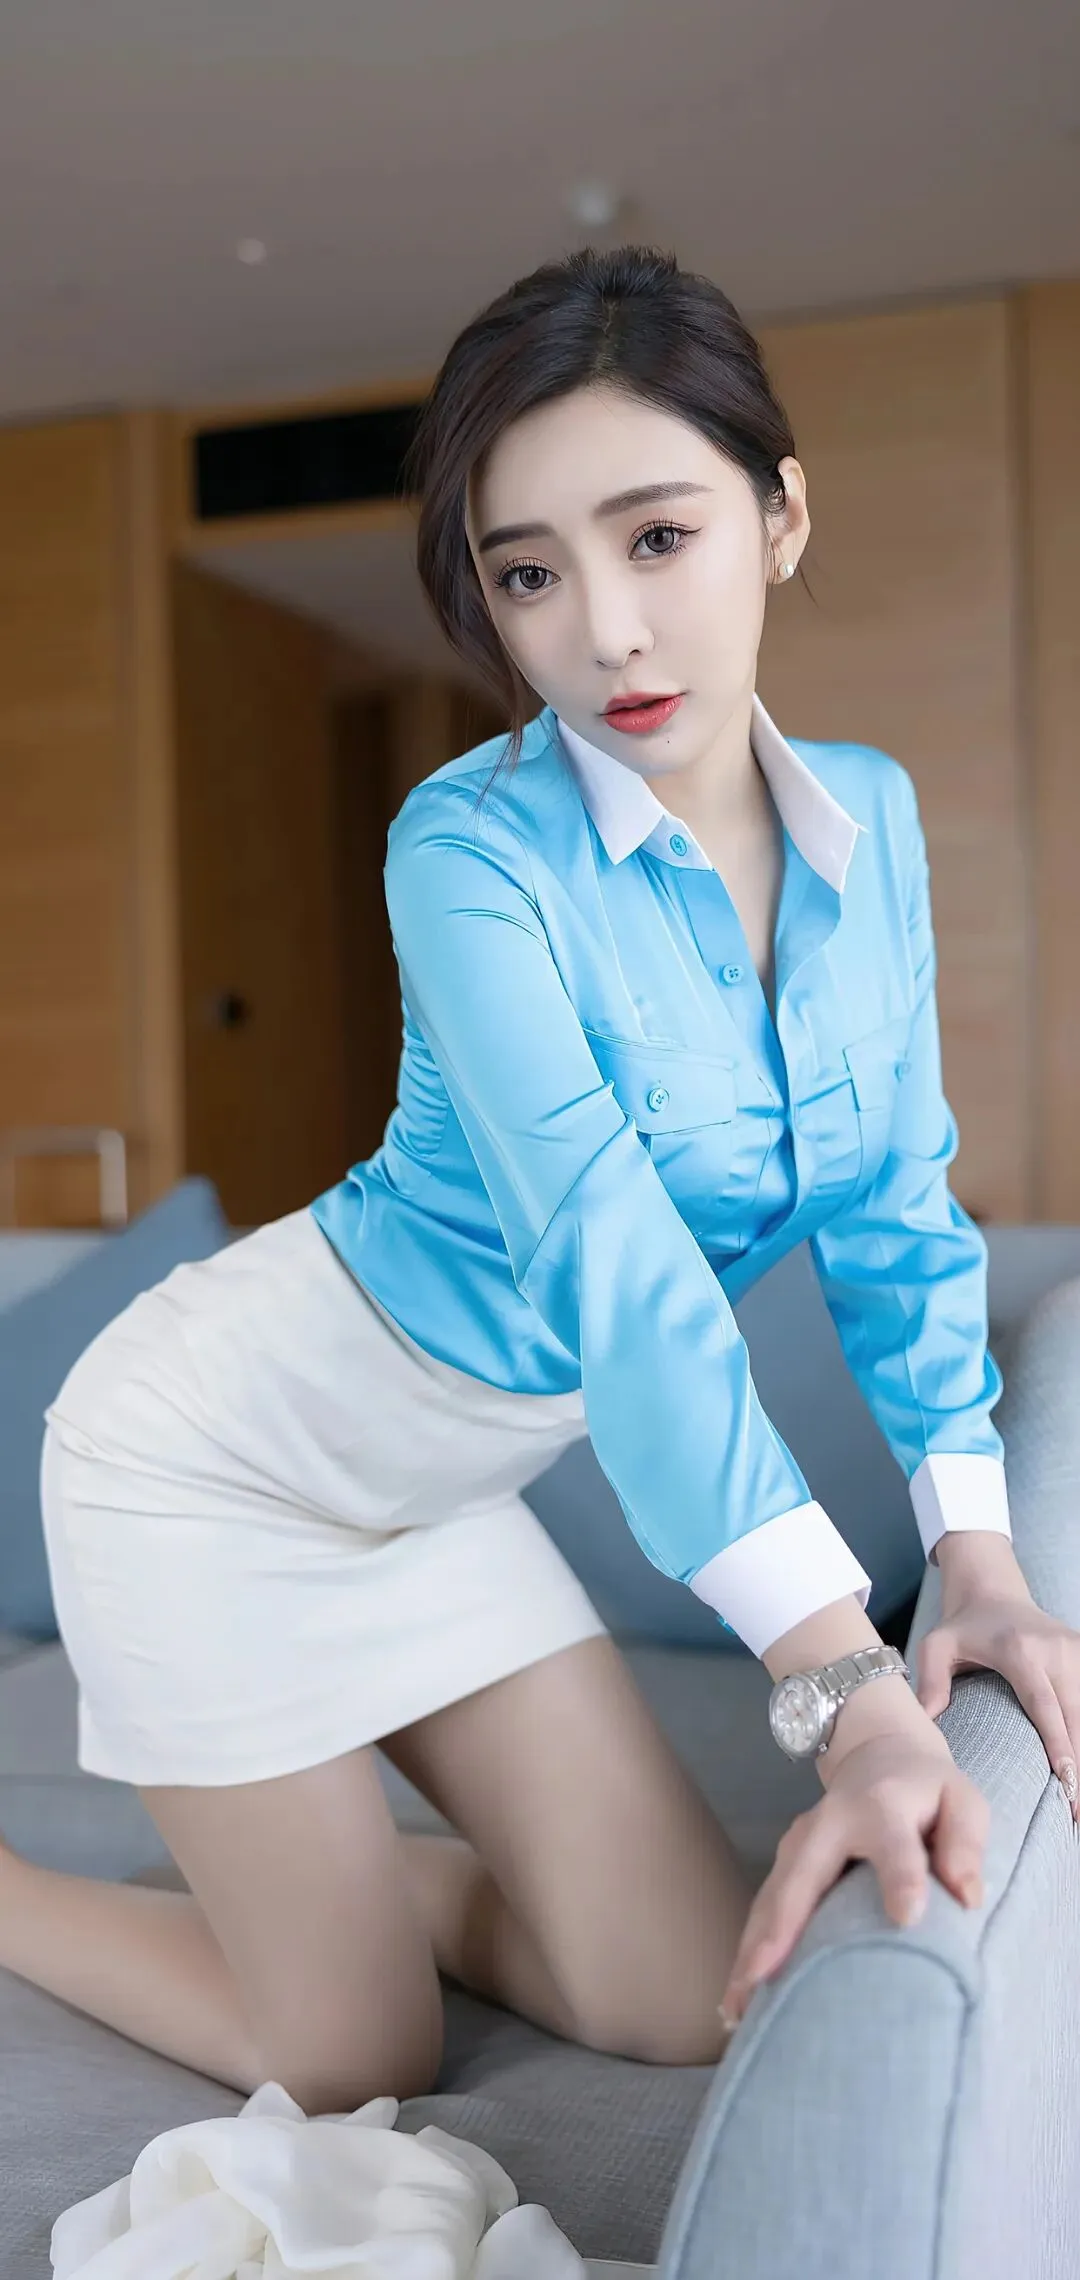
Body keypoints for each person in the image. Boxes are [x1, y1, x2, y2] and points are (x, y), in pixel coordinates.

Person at [3, 245, 1078, 2116]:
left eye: (658, 537)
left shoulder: (875, 818)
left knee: (683, 2001)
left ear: (780, 515)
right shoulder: (468, 850)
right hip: (213, 1466)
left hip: (438, 1495)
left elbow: (899, 1203)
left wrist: (974, 1546)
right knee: (349, 2055)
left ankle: (363, 1898)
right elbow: (622, 1274)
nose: (606, 632)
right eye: (529, 573)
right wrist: (849, 1690)